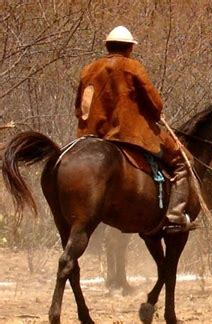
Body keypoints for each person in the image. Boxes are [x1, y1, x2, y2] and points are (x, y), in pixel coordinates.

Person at [74, 26, 193, 233]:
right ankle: (175, 213)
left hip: (91, 135)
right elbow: (155, 104)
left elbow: (80, 107)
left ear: (107, 46)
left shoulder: (88, 69)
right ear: (130, 48)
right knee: (183, 160)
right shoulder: (133, 67)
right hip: (130, 134)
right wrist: (154, 115)